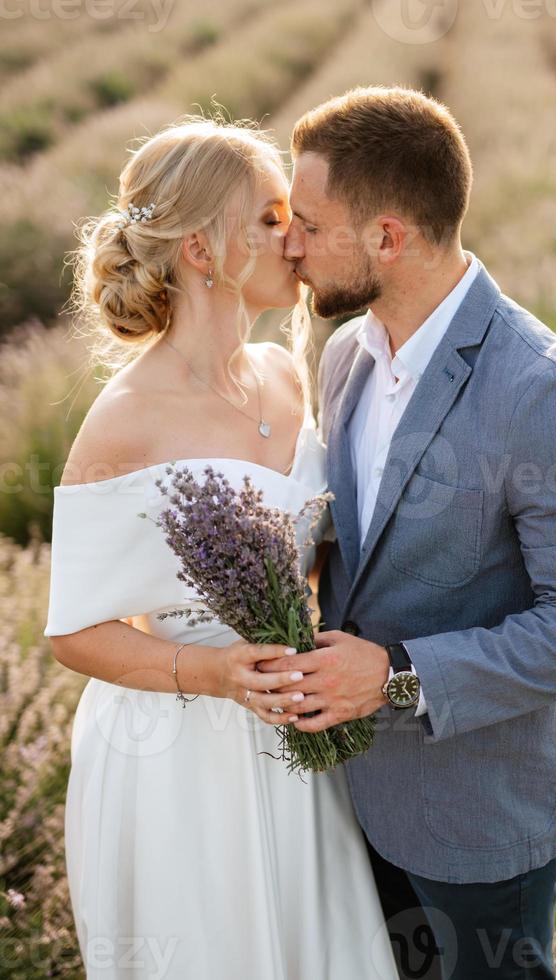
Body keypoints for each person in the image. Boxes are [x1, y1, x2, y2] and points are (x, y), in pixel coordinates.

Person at [257, 86, 556, 979]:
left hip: (476, 821)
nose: (289, 246)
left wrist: (392, 678)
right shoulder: (348, 352)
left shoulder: (549, 393)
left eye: (309, 224)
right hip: (350, 796)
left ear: (388, 237)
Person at [43, 115, 399, 980]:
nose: (298, 234)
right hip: (178, 756)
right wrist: (216, 673)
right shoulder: (123, 421)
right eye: (273, 216)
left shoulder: (286, 375)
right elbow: (73, 631)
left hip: (291, 735)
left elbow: (307, 540)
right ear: (203, 250)